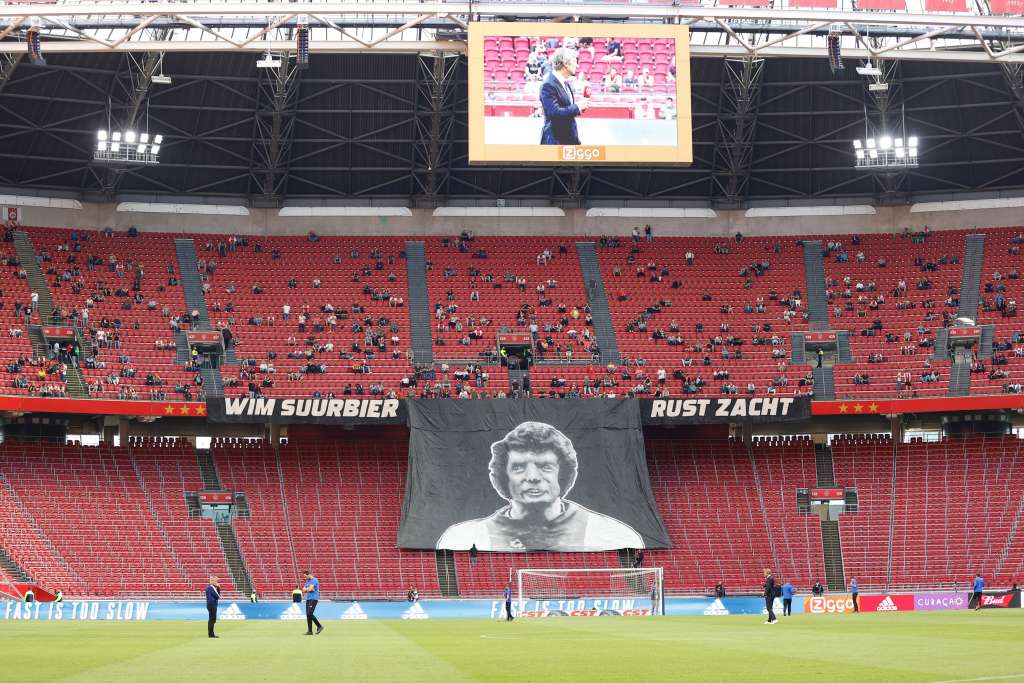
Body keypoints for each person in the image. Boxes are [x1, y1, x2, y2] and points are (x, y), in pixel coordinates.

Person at [436, 421, 644, 551]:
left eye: (545, 466)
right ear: (503, 476)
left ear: (562, 474)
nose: (533, 477)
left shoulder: (613, 534)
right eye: (518, 468)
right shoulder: (463, 538)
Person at [539, 48, 588, 146]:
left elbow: (566, 113)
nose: (577, 65)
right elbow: (555, 113)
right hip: (554, 142)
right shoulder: (548, 85)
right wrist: (577, 107)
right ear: (565, 64)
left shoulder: (565, 83)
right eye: (574, 61)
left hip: (569, 140)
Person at [302, 570, 323, 635]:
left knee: (309, 613)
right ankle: (310, 631)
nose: (305, 578)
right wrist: (308, 589)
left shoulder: (314, 580)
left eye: (305, 576)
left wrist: (307, 589)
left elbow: (309, 589)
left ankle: (319, 626)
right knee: (308, 615)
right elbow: (303, 590)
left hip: (314, 599)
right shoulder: (307, 581)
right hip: (308, 599)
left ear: (309, 575)